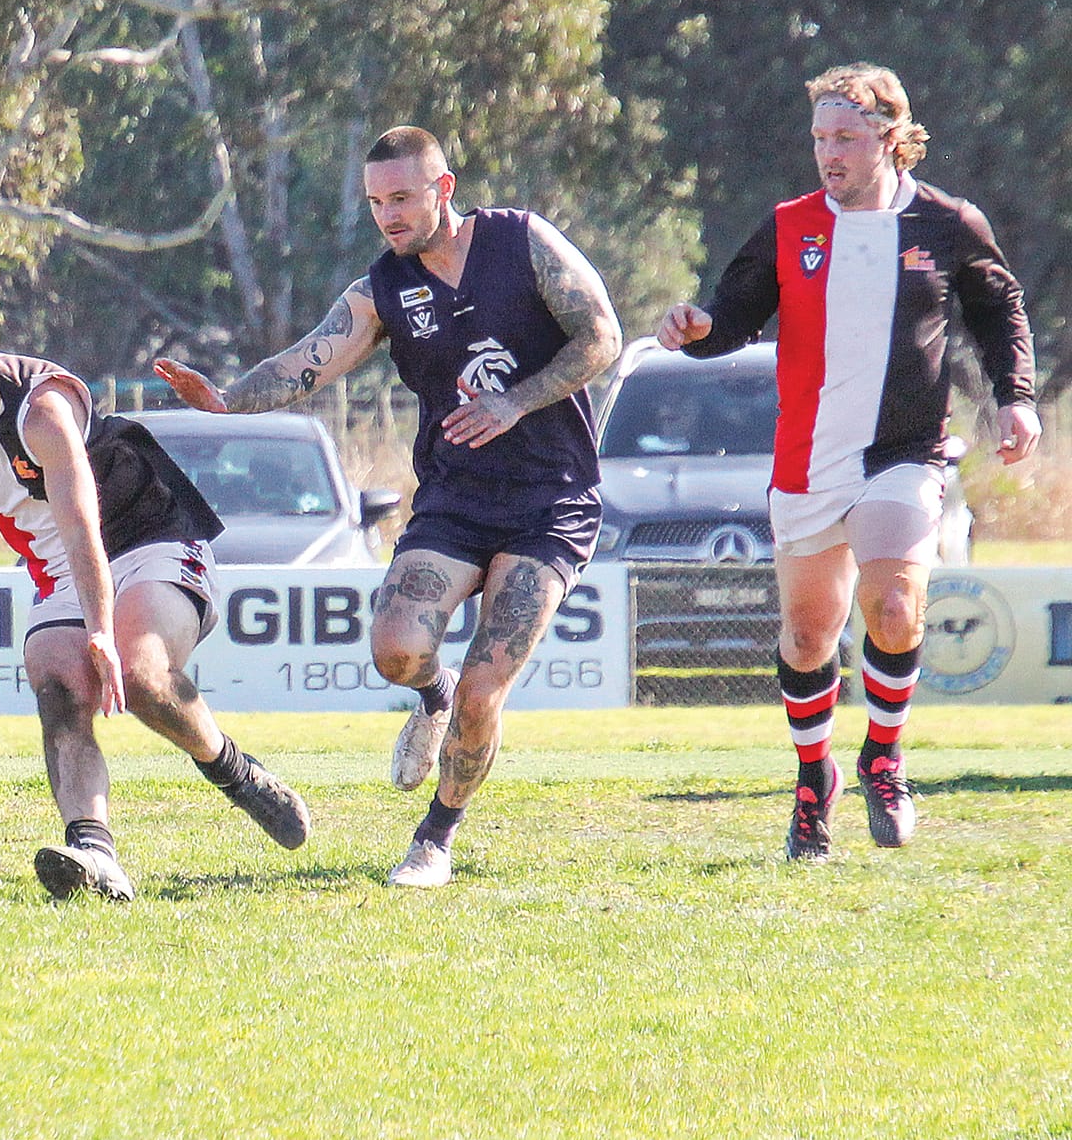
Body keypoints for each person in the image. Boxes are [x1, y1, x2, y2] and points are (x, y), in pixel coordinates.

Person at [154, 127, 621, 889]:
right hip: (455, 497)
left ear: (444, 187)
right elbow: (309, 359)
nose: (389, 215)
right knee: (396, 650)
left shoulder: (523, 240)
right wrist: (228, 399)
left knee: (485, 689)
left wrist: (516, 401)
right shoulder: (384, 289)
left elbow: (601, 334)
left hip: (551, 502)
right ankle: (427, 698)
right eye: (377, 202)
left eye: (402, 197)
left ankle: (435, 837)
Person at [657, 63, 1038, 862]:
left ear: (892, 138)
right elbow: (734, 312)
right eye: (820, 137)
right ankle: (813, 782)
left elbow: (1000, 307)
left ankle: (885, 759)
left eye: (846, 137)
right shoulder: (791, 224)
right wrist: (697, 326)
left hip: (904, 452)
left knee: (894, 605)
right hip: (807, 456)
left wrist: (1017, 395)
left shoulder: (946, 223)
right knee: (806, 637)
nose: (829, 152)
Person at [0, 275, 311, 903]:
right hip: (64, 570)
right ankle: (93, 852)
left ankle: (233, 770)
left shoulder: (39, 408)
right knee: (56, 679)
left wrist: (102, 633)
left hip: (149, 538)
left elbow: (83, 527)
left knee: (137, 675)